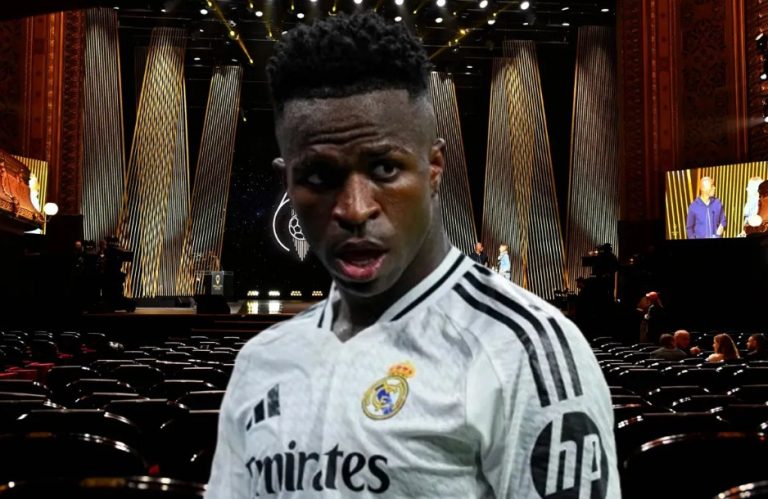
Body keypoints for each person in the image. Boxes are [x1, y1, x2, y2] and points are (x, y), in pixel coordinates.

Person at [205, 12, 619, 499]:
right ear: (288, 182)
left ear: (434, 167)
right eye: (318, 177)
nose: (354, 209)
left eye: (384, 168)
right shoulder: (261, 362)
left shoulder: (525, 352)